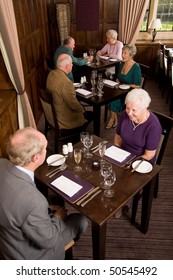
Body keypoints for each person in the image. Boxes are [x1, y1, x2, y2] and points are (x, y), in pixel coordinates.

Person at [0, 127, 88, 260]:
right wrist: (58, 217)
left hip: (7, 240)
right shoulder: (35, 201)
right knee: (80, 220)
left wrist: (43, 211)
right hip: (28, 256)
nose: (46, 151)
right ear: (36, 158)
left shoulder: (1, 163)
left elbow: (17, 206)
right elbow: (48, 240)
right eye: (45, 149)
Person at [46, 53, 93, 133]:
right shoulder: (66, 83)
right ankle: (83, 135)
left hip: (53, 114)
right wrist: (83, 109)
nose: (72, 65)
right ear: (67, 66)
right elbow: (73, 104)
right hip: (64, 120)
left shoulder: (51, 74)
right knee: (91, 114)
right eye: (71, 64)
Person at [114, 89, 162, 164]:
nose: (129, 113)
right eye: (127, 108)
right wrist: (116, 154)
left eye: (134, 110)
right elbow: (117, 138)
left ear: (144, 108)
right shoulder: (124, 114)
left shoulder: (154, 126)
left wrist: (129, 163)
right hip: (122, 156)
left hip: (141, 161)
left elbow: (149, 155)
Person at [106, 44, 142, 129]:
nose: (122, 55)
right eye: (122, 53)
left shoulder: (136, 67)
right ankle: (114, 118)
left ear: (131, 55)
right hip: (120, 90)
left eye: (125, 53)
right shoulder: (122, 64)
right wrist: (117, 81)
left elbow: (138, 86)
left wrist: (126, 85)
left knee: (113, 100)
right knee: (108, 96)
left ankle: (112, 119)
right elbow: (118, 77)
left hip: (131, 93)